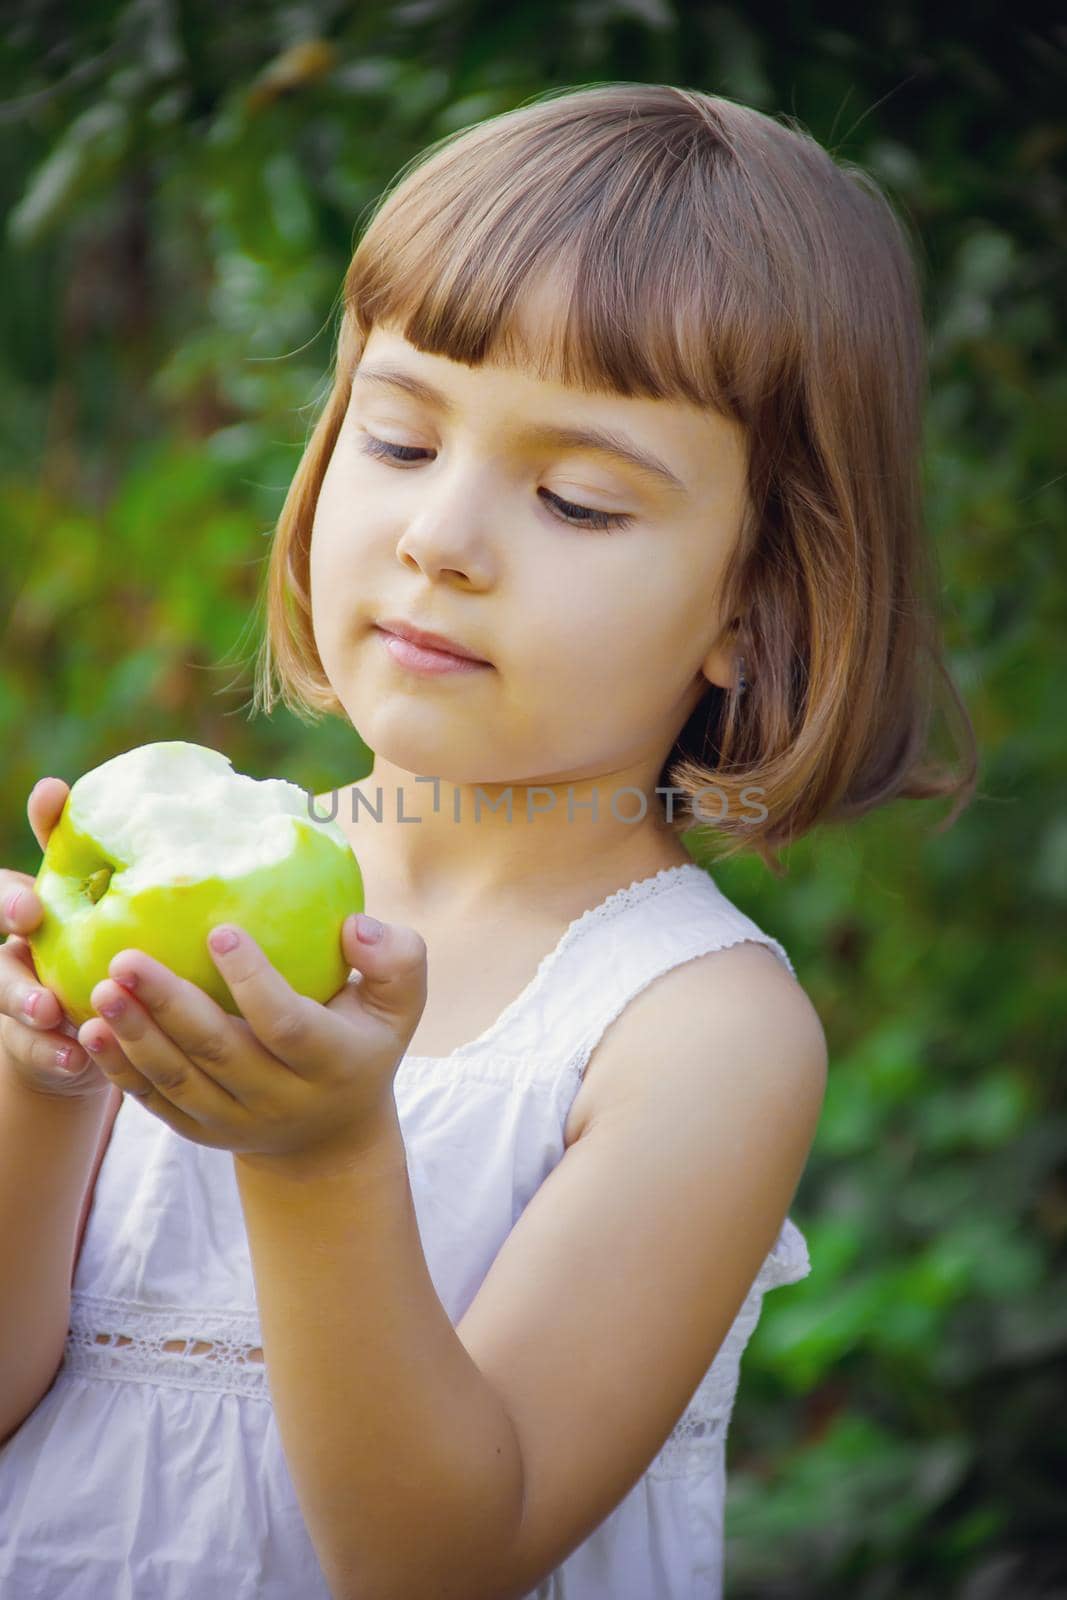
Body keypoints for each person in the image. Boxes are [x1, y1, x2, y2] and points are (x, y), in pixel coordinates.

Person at [0, 82, 977, 1600]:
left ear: (751, 604)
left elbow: (444, 1558)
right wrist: (45, 1083)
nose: (440, 538)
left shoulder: (693, 1032)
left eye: (577, 501)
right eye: (398, 440)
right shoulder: (179, 897)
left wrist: (316, 1153)